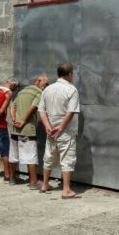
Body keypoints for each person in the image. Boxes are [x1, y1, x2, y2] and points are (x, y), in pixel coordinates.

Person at [38, 62, 81, 199]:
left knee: (49, 156)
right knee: (67, 159)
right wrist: (61, 127)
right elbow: (71, 111)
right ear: (70, 74)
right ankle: (66, 190)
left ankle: (45, 184)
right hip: (66, 132)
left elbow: (41, 110)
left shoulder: (47, 89)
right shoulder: (71, 90)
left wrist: (47, 126)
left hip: (50, 131)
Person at [9, 74, 50, 188]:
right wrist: (23, 121)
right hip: (27, 129)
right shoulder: (39, 93)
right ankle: (33, 182)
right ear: (38, 81)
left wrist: (14, 120)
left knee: (14, 155)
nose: (47, 86)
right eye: (45, 83)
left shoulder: (22, 91)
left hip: (14, 129)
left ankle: (12, 179)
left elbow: (12, 106)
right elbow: (33, 107)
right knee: (30, 156)